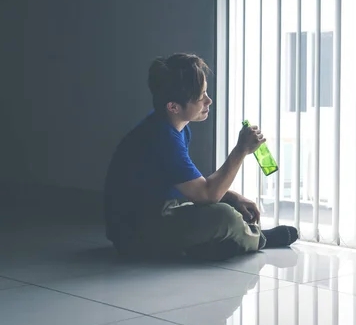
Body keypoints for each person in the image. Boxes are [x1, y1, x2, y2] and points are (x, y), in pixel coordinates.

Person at [103, 53, 298, 260]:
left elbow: (190, 183)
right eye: (200, 97)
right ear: (174, 107)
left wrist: (233, 197)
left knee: (226, 203)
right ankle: (258, 239)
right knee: (224, 217)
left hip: (159, 210)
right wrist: (241, 150)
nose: (209, 101)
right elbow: (206, 195)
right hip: (136, 234)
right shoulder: (162, 138)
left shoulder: (176, 127)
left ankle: (208, 248)